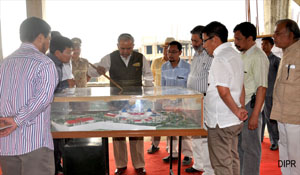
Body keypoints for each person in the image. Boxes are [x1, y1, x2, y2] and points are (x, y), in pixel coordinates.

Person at [0, 17, 58, 175]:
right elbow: (43, 98)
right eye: (48, 38)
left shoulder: (5, 63)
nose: (48, 43)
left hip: (6, 141)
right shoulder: (44, 63)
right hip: (34, 143)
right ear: (41, 37)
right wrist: (17, 120)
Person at [88, 33, 152, 175]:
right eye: (122, 48)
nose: (125, 52)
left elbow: (148, 76)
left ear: (133, 46)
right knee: (118, 133)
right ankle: (121, 164)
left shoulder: (140, 58)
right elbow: (93, 72)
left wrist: (148, 95)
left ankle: (139, 164)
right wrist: (98, 70)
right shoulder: (110, 57)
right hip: (116, 101)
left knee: (136, 132)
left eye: (128, 48)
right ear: (118, 46)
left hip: (136, 101)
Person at [202, 21, 248, 175]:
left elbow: (223, 91)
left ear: (214, 39)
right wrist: (240, 108)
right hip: (232, 119)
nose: (203, 45)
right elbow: (241, 85)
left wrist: (237, 110)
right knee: (232, 158)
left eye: (204, 41)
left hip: (220, 121)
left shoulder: (220, 58)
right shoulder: (235, 54)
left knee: (222, 165)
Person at [234, 22, 269, 175]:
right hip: (240, 107)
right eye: (235, 39)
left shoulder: (259, 57)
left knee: (251, 149)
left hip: (250, 107)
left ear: (250, 38)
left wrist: (255, 115)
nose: (236, 42)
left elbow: (262, 87)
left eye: (239, 39)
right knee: (240, 146)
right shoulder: (241, 55)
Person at [271, 19, 300, 175]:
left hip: (296, 117)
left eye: (278, 33)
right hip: (282, 114)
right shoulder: (285, 53)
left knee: (296, 155)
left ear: (292, 35)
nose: (274, 36)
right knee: (284, 151)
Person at [185, 25, 214, 175]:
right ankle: (198, 164)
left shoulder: (210, 55)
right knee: (195, 134)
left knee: (205, 136)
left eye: (196, 41)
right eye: (192, 40)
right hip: (194, 101)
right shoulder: (196, 54)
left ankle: (209, 170)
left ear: (204, 39)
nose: (194, 44)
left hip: (206, 100)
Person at [160, 41, 192, 165]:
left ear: (180, 52)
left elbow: (189, 87)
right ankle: (173, 153)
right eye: (169, 52)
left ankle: (188, 155)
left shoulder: (187, 67)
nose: (170, 55)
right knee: (170, 128)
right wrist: (163, 101)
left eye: (173, 52)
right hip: (168, 102)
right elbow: (162, 85)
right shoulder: (164, 67)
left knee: (185, 130)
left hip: (183, 102)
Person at [47, 35, 73, 175]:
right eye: (68, 52)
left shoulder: (57, 63)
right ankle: (55, 168)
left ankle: (57, 166)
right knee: (54, 143)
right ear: (58, 53)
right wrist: (65, 84)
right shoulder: (50, 64)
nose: (70, 55)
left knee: (58, 141)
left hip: (57, 110)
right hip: (50, 112)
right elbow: (47, 90)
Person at [147, 37, 175, 154]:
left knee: (171, 123)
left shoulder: (176, 63)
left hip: (172, 98)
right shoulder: (156, 62)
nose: (167, 51)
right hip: (158, 97)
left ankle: (171, 148)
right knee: (156, 122)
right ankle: (154, 144)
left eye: (171, 49)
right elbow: (151, 78)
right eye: (166, 49)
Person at [260, 37, 280, 151]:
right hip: (259, 92)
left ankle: (275, 141)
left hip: (270, 94)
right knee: (260, 117)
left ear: (272, 46)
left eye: (266, 44)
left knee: (270, 118)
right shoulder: (260, 59)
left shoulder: (276, 60)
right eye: (262, 44)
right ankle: (260, 137)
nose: (263, 46)